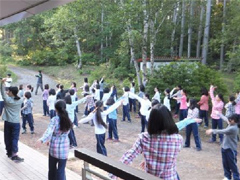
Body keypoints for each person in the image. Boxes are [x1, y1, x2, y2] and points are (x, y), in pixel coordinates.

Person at [120, 104, 182, 180]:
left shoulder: (144, 138)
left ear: (151, 121)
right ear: (169, 119)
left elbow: (129, 156)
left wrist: (112, 173)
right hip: (170, 177)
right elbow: (169, 157)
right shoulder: (178, 139)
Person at [36, 100, 72, 180]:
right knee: (61, 171)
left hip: (54, 148)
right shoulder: (68, 119)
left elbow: (49, 131)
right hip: (65, 148)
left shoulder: (55, 119)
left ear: (56, 109)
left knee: (52, 169)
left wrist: (42, 140)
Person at [206, 113, 240, 180]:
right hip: (224, 147)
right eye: (229, 119)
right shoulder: (231, 123)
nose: (229, 120)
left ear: (235, 120)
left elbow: (223, 131)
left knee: (232, 165)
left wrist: (212, 130)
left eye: (231, 119)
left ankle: (236, 177)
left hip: (230, 149)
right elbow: (225, 119)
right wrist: (219, 114)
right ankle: (227, 177)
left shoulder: (234, 128)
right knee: (225, 164)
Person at [1, 79, 24, 162]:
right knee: (14, 138)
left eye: (9, 91)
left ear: (11, 92)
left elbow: (2, 92)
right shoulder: (20, 100)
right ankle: (14, 154)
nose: (7, 92)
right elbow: (19, 96)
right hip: (16, 122)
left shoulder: (7, 100)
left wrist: (2, 83)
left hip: (8, 122)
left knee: (7, 137)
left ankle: (9, 152)